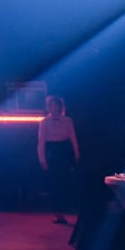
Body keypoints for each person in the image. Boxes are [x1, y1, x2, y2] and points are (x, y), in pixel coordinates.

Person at [37, 95, 80, 223]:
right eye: (51, 106)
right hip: (52, 152)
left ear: (60, 107)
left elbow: (73, 138)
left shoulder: (68, 120)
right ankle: (57, 212)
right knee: (54, 183)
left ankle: (61, 210)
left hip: (64, 151)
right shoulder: (44, 122)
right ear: (49, 108)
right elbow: (41, 142)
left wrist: (77, 154)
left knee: (64, 183)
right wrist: (42, 159)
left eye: (56, 106)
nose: (54, 109)